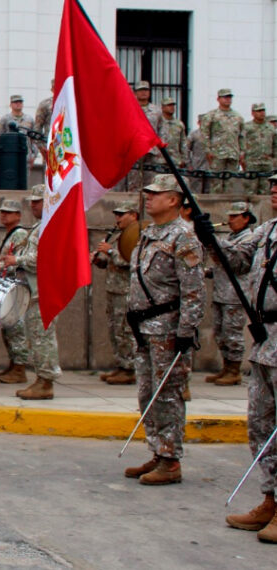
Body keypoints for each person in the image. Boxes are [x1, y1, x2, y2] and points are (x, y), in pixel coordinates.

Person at [206, 175, 277, 542]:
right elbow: (235, 259)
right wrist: (209, 236)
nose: (275, 191)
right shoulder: (265, 231)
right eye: (274, 186)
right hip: (265, 339)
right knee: (261, 426)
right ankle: (270, 498)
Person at [123, 174, 206, 485]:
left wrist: (186, 331)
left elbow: (194, 290)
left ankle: (171, 459)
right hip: (144, 328)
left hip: (168, 330)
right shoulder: (149, 234)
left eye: (157, 194)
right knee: (147, 393)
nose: (149, 197)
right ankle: (158, 449)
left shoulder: (183, 237)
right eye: (149, 193)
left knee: (167, 394)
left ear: (174, 200)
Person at [0, 185, 61, 400]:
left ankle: (46, 382)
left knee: (43, 337)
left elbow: (41, 259)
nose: (33, 204)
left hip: (44, 290)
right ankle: (41, 379)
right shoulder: (38, 227)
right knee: (36, 337)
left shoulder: (49, 226)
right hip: (34, 291)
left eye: (38, 200)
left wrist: (17, 260)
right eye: (32, 201)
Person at [204, 201, 255, 386]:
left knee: (232, 334)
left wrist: (213, 239)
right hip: (221, 292)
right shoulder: (232, 237)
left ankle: (234, 370)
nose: (230, 220)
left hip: (235, 295)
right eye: (230, 216)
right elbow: (220, 262)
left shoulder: (249, 238)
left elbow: (236, 262)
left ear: (246, 218)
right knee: (220, 332)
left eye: (235, 216)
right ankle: (226, 367)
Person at [95, 201, 140, 385]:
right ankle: (121, 364)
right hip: (113, 289)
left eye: (122, 214)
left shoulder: (137, 235)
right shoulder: (119, 236)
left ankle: (129, 368)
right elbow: (113, 262)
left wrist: (111, 251)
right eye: (116, 215)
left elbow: (132, 261)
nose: (118, 218)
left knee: (125, 330)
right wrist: (100, 260)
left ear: (134, 215)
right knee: (115, 329)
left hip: (126, 291)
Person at [0, 199, 30, 384]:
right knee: (8, 326)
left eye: (8, 212)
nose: (3, 214)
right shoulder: (8, 234)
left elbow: (17, 260)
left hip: (16, 285)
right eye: (2, 211)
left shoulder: (20, 234)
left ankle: (20, 368)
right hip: (7, 285)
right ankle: (13, 364)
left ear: (18, 215)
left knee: (16, 327)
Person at [123, 81, 165, 191]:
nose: (143, 93)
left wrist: (161, 148)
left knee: (151, 179)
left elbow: (161, 129)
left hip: (152, 149)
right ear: (135, 93)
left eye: (146, 90)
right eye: (140, 90)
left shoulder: (156, 110)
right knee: (134, 179)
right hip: (134, 148)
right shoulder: (129, 108)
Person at [204, 88, 245, 194]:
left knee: (231, 181)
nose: (228, 100)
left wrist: (242, 152)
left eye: (229, 97)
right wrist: (208, 150)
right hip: (217, 153)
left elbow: (241, 136)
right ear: (218, 99)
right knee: (216, 182)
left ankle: (228, 205)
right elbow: (205, 134)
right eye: (225, 97)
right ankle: (216, 207)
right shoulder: (211, 116)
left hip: (233, 153)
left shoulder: (238, 116)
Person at [243, 103, 277, 194]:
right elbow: (241, 143)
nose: (262, 113)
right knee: (250, 190)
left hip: (266, 163)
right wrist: (242, 159)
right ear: (253, 113)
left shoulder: (270, 128)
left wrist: (274, 159)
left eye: (263, 110)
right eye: (259, 111)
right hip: (251, 162)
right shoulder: (247, 127)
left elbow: (275, 144)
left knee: (266, 190)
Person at [158, 97, 188, 167]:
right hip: (160, 161)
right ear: (162, 108)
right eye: (169, 105)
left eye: (172, 105)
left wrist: (184, 160)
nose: (171, 107)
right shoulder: (158, 122)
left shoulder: (179, 124)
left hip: (175, 161)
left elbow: (183, 143)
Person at [34, 80, 55, 166]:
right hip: (49, 146)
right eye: (55, 87)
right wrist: (41, 147)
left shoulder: (70, 103)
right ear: (52, 89)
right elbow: (37, 128)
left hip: (68, 146)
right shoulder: (45, 104)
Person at [188, 114, 209, 194]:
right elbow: (186, 149)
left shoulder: (212, 135)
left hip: (209, 167)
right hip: (197, 166)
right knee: (196, 190)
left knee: (208, 191)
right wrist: (188, 163)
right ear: (199, 122)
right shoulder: (194, 135)